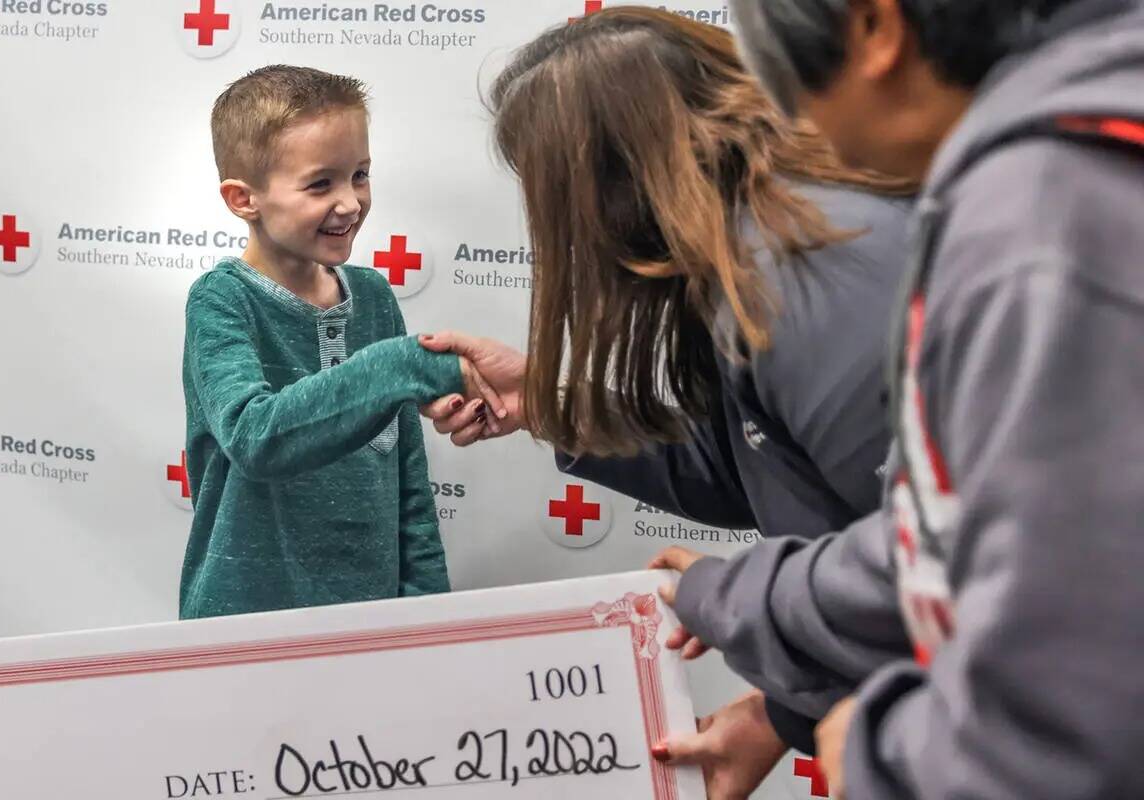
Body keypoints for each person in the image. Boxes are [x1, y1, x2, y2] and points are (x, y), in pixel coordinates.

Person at [651, 0, 1144, 797]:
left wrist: (883, 761)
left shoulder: (1042, 217)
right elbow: (958, 537)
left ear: (876, 30)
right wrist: (743, 600)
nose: (799, 131)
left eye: (782, 85)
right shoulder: (1067, 166)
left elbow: (1072, 704)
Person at [418, 7, 916, 789]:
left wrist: (731, 595)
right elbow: (757, 470)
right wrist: (547, 403)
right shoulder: (762, 252)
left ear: (607, 179)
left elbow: (938, 562)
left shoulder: (813, 274)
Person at [180, 66, 503, 620]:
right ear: (242, 199)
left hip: (368, 623)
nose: (351, 202)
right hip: (241, 630)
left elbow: (409, 478)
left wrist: (426, 609)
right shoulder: (220, 300)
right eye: (320, 183)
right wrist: (400, 367)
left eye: (360, 174)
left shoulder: (374, 297)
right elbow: (254, 437)